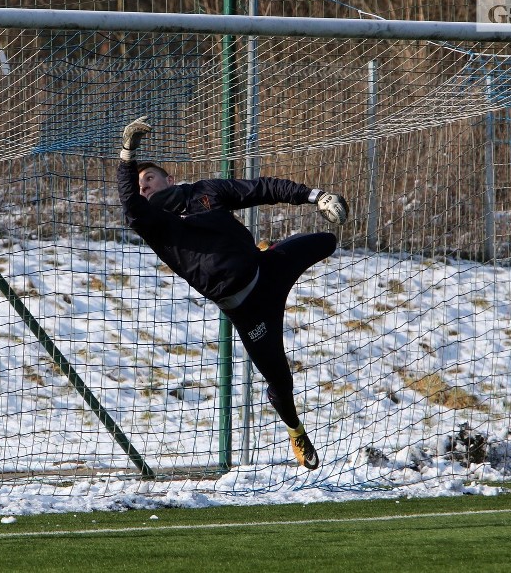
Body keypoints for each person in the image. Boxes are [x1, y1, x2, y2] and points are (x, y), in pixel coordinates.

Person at [116, 116, 348, 470]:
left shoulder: (206, 192)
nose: (143, 185)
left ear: (170, 179)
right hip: (249, 310)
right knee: (280, 383)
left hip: (268, 271)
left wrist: (315, 196)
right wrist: (127, 154)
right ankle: (295, 429)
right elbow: (131, 204)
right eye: (138, 183)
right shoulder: (152, 223)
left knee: (327, 241)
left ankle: (270, 250)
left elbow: (261, 188)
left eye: (149, 177)